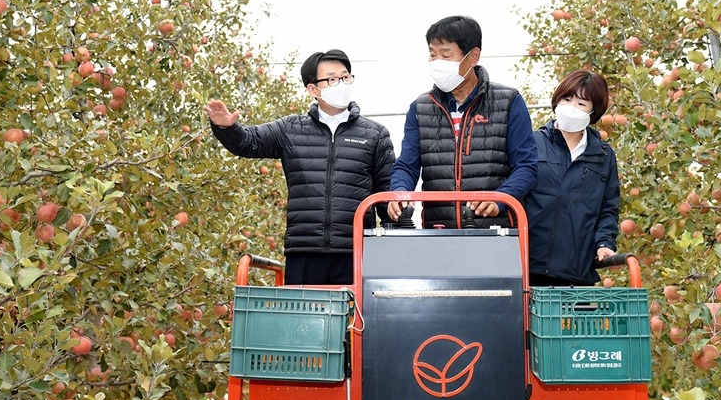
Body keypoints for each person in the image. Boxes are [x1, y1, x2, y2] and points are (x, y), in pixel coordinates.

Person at [204, 49, 395, 285]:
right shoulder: (291, 130)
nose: (342, 84)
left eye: (346, 77)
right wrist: (226, 128)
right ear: (313, 89)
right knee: (303, 319)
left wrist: (396, 230)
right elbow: (248, 142)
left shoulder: (374, 134)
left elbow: (387, 194)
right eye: (332, 79)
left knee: (355, 321)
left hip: (356, 251)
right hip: (304, 250)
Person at [388, 15, 538, 229]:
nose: (437, 63)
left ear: (473, 56)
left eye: (446, 55)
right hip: (439, 232)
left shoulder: (508, 101)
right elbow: (407, 165)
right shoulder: (420, 108)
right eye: (433, 55)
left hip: (497, 232)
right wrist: (400, 192)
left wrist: (500, 199)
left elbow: (526, 166)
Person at [525, 69, 620, 286]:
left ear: (593, 112)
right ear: (557, 100)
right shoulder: (532, 143)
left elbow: (608, 207)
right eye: (567, 99)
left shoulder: (603, 156)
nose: (571, 108)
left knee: (579, 320)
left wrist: (604, 242)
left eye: (581, 104)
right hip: (529, 268)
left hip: (578, 271)